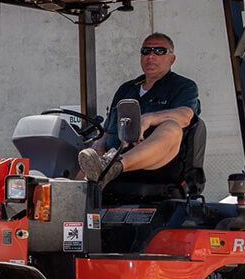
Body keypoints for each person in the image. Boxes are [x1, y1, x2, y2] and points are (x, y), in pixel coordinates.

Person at [78, 32, 201, 187]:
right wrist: (99, 145)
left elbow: (185, 116)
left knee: (172, 127)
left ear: (172, 59)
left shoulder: (183, 86)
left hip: (156, 165)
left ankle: (114, 168)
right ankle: (63, 197)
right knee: (75, 151)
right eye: (146, 51)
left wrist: (149, 118)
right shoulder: (126, 89)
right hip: (110, 157)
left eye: (159, 51)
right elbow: (109, 130)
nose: (151, 56)